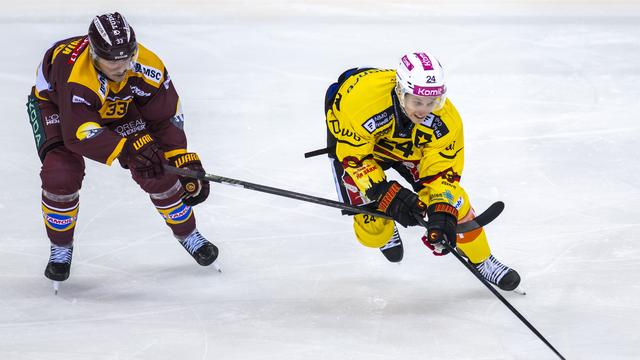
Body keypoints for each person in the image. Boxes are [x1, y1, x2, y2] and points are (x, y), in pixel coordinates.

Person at [26, 12, 218, 286]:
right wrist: (130, 150)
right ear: (94, 55)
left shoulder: (148, 66)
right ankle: (60, 248)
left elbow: (165, 116)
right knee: (61, 172)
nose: (123, 66)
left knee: (158, 168)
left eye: (128, 56)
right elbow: (79, 134)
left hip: (119, 105)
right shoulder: (77, 78)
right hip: (58, 107)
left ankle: (189, 235)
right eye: (112, 60)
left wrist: (179, 160)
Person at [323, 51, 520, 291]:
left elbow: (443, 172)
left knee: (455, 203)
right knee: (372, 230)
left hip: (410, 148)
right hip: (362, 149)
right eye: (417, 102)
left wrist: (441, 211)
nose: (424, 110)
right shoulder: (360, 103)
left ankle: (483, 259)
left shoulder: (446, 119)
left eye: (432, 102)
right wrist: (387, 194)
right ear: (400, 91)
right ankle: (383, 231)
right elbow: (355, 157)